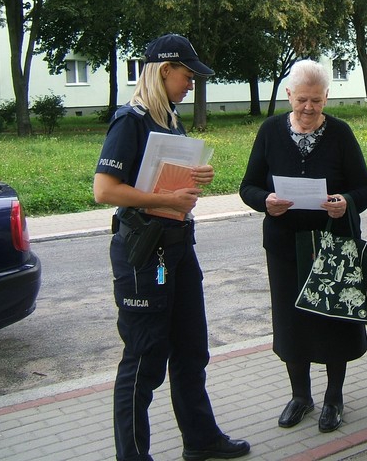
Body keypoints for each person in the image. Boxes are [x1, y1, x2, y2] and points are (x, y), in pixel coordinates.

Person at [94, 34, 250, 461]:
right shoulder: (131, 119)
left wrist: (192, 178)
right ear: (165, 71)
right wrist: (165, 200)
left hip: (177, 250)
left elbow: (162, 178)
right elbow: (104, 190)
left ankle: (200, 441)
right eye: (187, 76)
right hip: (147, 257)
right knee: (145, 360)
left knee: (190, 349)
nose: (191, 84)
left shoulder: (171, 118)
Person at [239, 60, 367, 433]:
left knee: (333, 319)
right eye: (302, 100)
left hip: (331, 245)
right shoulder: (270, 131)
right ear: (289, 96)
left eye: (317, 100)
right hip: (284, 246)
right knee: (291, 321)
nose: (309, 108)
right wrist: (265, 200)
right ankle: (300, 396)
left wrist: (346, 201)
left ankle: (334, 397)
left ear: (326, 98)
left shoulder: (341, 133)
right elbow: (247, 186)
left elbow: (366, 188)